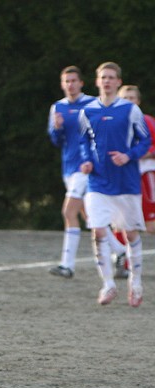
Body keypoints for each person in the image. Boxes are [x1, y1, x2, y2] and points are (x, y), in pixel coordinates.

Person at [77, 62, 151, 307]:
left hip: (127, 183)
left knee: (131, 235)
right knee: (98, 231)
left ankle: (136, 283)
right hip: (98, 182)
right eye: (103, 78)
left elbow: (145, 140)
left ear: (118, 82)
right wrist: (87, 161)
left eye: (111, 78)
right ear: (97, 82)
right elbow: (83, 142)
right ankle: (107, 284)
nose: (107, 81)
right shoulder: (87, 111)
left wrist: (128, 156)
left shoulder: (130, 110)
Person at [47, 66, 96, 278]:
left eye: (74, 80)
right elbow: (56, 141)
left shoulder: (92, 104)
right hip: (68, 166)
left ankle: (67, 265)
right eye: (67, 81)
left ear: (81, 83)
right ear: (62, 84)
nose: (70, 85)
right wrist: (56, 128)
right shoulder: (57, 107)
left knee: (68, 212)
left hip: (85, 167)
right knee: (89, 216)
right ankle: (121, 253)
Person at [118, 85, 155, 235]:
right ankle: (122, 257)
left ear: (138, 101)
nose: (128, 101)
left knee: (150, 225)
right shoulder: (114, 122)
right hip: (122, 175)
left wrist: (145, 153)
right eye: (125, 98)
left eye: (131, 98)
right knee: (121, 222)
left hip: (144, 173)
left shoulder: (146, 120)